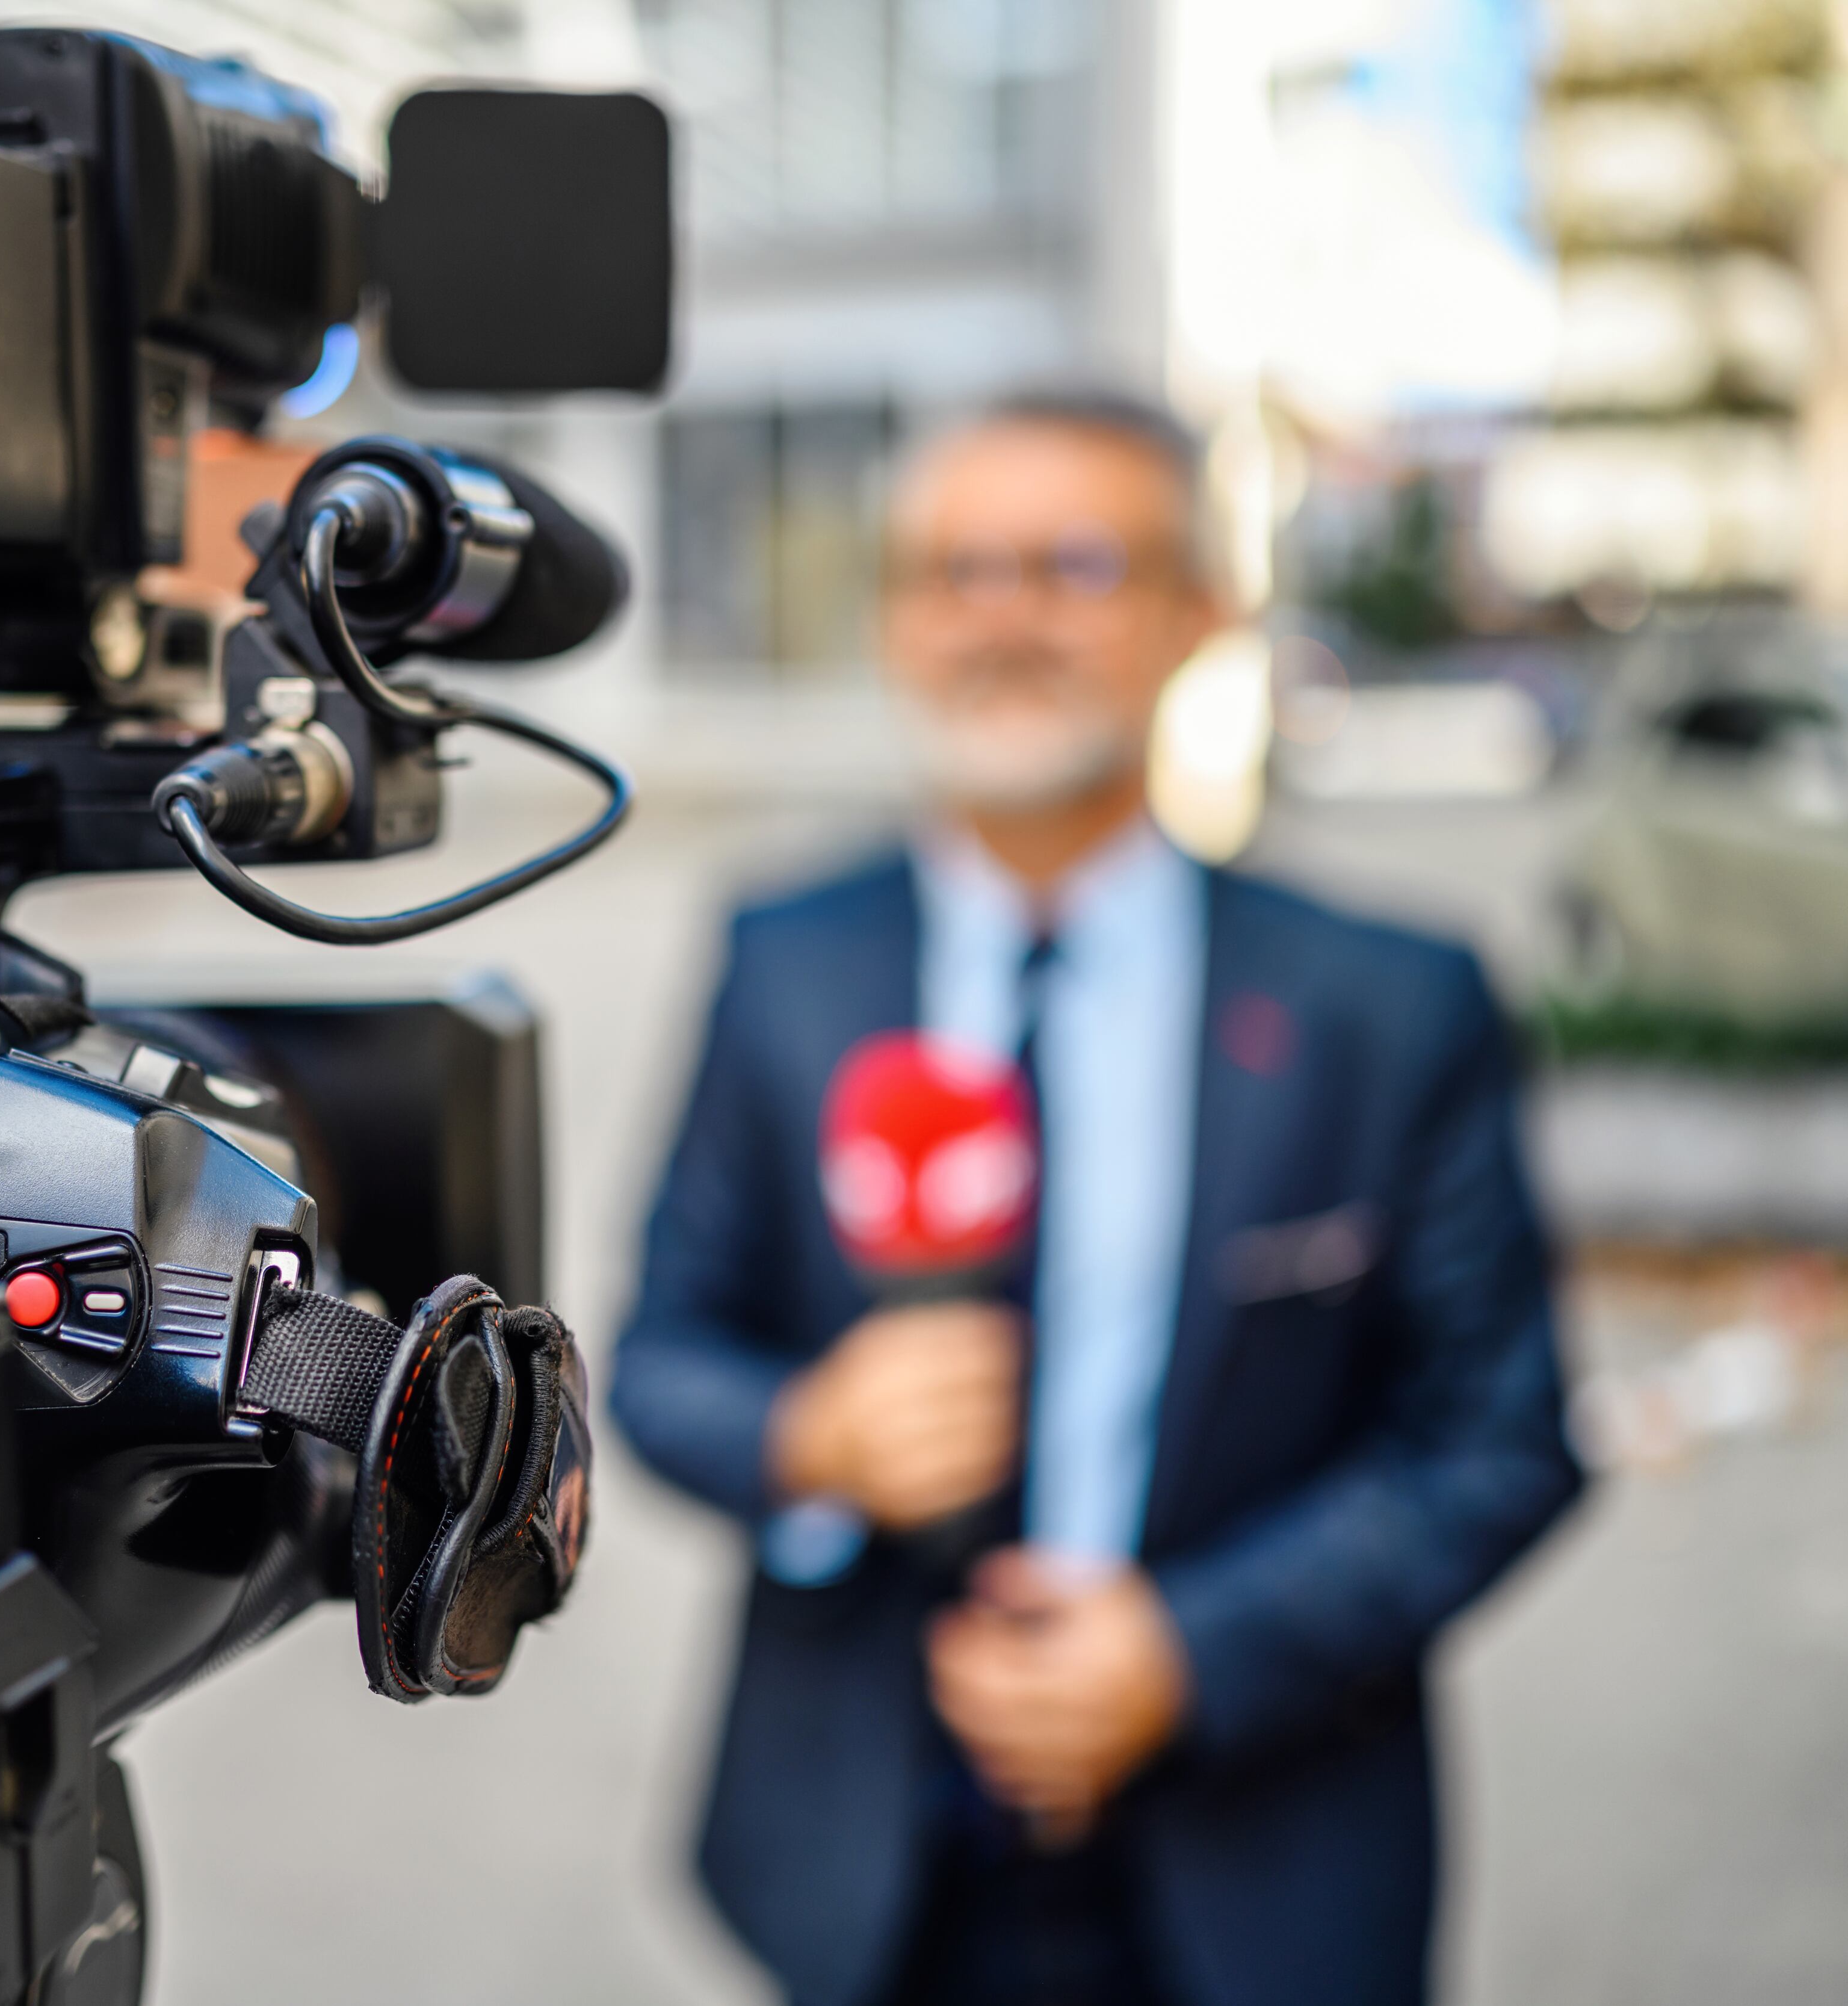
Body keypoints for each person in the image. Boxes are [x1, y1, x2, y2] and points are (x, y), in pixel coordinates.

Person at [611, 389, 1583, 2006]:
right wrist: (815, 1441)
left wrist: (1193, 1653)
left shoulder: (1389, 1008)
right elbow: (659, 1360)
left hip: (1260, 1862)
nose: (1007, 620)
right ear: (896, 621)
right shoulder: (783, 964)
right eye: (955, 571)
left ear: (1199, 610)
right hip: (867, 1871)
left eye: (1074, 566)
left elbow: (1499, 1437)